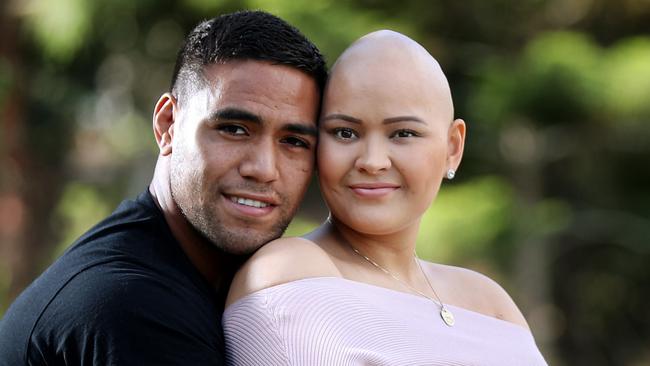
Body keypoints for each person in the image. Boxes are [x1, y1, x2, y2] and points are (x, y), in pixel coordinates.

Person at [0, 10, 326, 365]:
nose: (264, 169)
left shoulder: (198, 277)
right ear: (168, 124)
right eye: (234, 129)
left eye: (293, 141)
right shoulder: (134, 307)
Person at [223, 30, 548, 365]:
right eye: (345, 133)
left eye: (403, 133)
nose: (372, 161)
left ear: (453, 148)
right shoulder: (289, 269)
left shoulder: (490, 303)